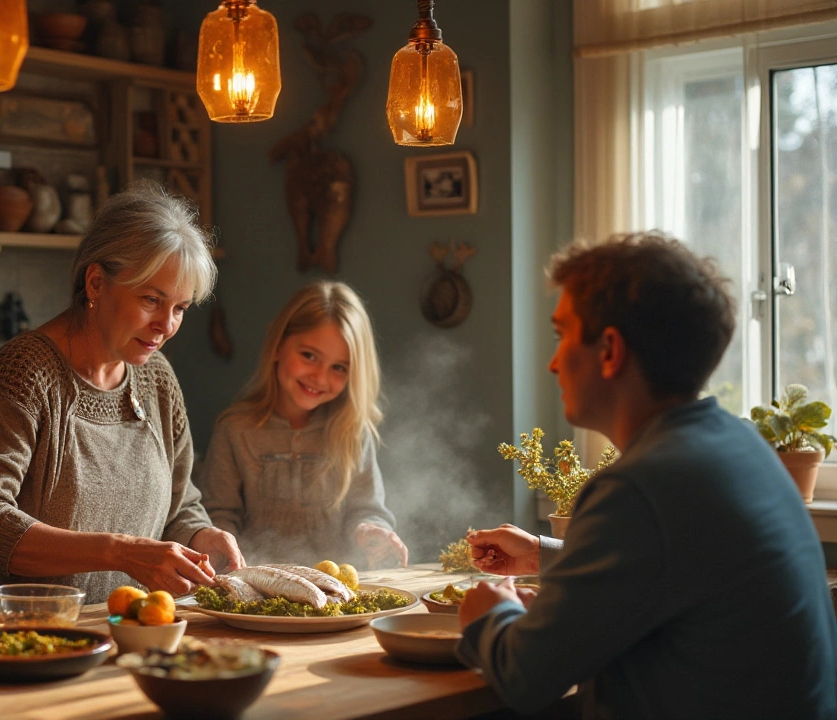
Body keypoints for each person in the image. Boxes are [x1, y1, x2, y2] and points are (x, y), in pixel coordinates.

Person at [459, 233, 837, 718]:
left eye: (562, 334)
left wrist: (488, 613)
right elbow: (672, 567)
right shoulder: (739, 445)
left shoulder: (639, 487)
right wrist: (544, 555)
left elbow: (524, 677)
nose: (553, 362)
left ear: (610, 350)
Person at [0, 181, 244, 628]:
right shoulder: (24, 375)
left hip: (117, 639)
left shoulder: (156, 378)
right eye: (151, 299)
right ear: (96, 281)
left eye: (179, 308)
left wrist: (200, 535)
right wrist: (120, 551)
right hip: (8, 647)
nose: (166, 325)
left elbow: (178, 505)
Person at [197, 280, 408, 569]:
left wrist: (370, 531)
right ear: (278, 347)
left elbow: (367, 510)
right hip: (255, 592)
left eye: (339, 368)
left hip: (337, 595)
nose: (320, 378)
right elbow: (218, 516)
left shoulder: (353, 432)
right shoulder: (234, 428)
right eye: (309, 356)